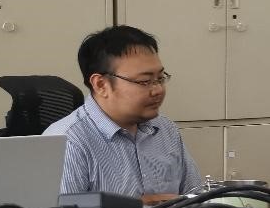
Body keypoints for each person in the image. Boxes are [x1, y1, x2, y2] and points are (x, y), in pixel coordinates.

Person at [45, 26, 201, 197]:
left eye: (160, 78)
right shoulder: (68, 142)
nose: (158, 90)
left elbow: (195, 196)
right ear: (101, 85)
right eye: (145, 81)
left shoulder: (165, 129)